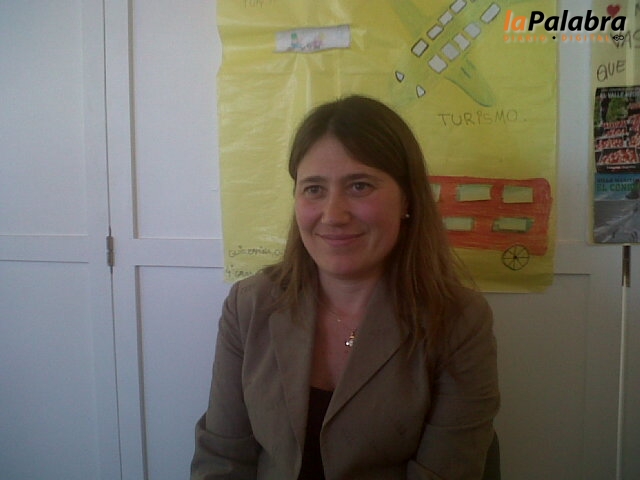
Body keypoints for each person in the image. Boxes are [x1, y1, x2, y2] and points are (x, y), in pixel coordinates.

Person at [191, 95, 500, 479]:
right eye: (314, 189)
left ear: (407, 199)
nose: (333, 215)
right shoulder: (249, 304)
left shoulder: (458, 321)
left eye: (359, 186)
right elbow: (222, 458)